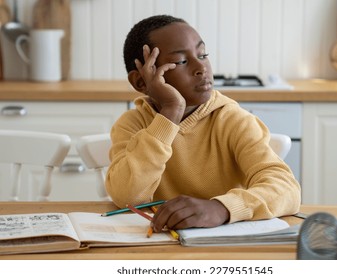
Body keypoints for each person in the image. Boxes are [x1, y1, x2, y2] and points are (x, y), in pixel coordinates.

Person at [105, 15, 301, 233]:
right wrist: (170, 113)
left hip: (226, 246)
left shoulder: (234, 120)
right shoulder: (132, 124)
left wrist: (222, 208)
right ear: (141, 81)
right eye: (181, 61)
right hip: (159, 245)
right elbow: (127, 197)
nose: (201, 67)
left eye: (203, 55)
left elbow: (287, 190)